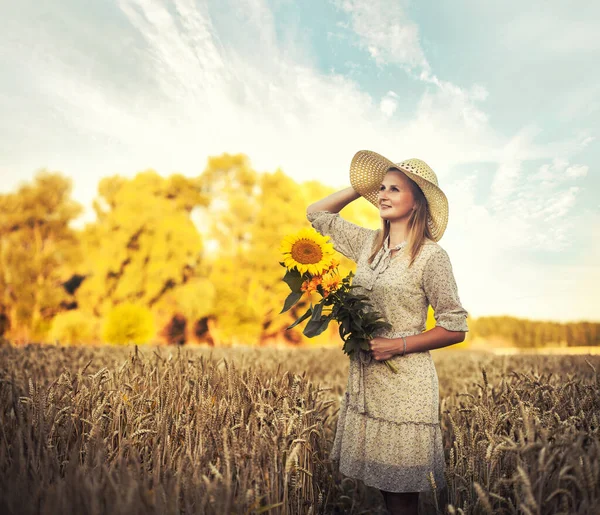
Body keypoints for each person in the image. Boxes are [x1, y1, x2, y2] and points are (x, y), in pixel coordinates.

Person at [306, 150, 469, 515]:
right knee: (383, 487)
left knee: (401, 497)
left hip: (406, 387)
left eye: (395, 189)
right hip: (368, 379)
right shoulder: (368, 245)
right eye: (381, 188)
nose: (383, 194)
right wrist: (359, 186)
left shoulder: (431, 257)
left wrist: (398, 345)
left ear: (417, 203)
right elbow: (316, 214)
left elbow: (455, 326)